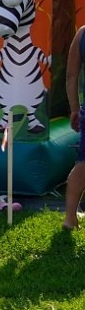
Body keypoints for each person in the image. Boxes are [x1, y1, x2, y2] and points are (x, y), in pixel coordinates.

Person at [63, 25, 85, 230]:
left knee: (83, 163)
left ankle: (70, 218)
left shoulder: (82, 33)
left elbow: (71, 75)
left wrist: (75, 109)